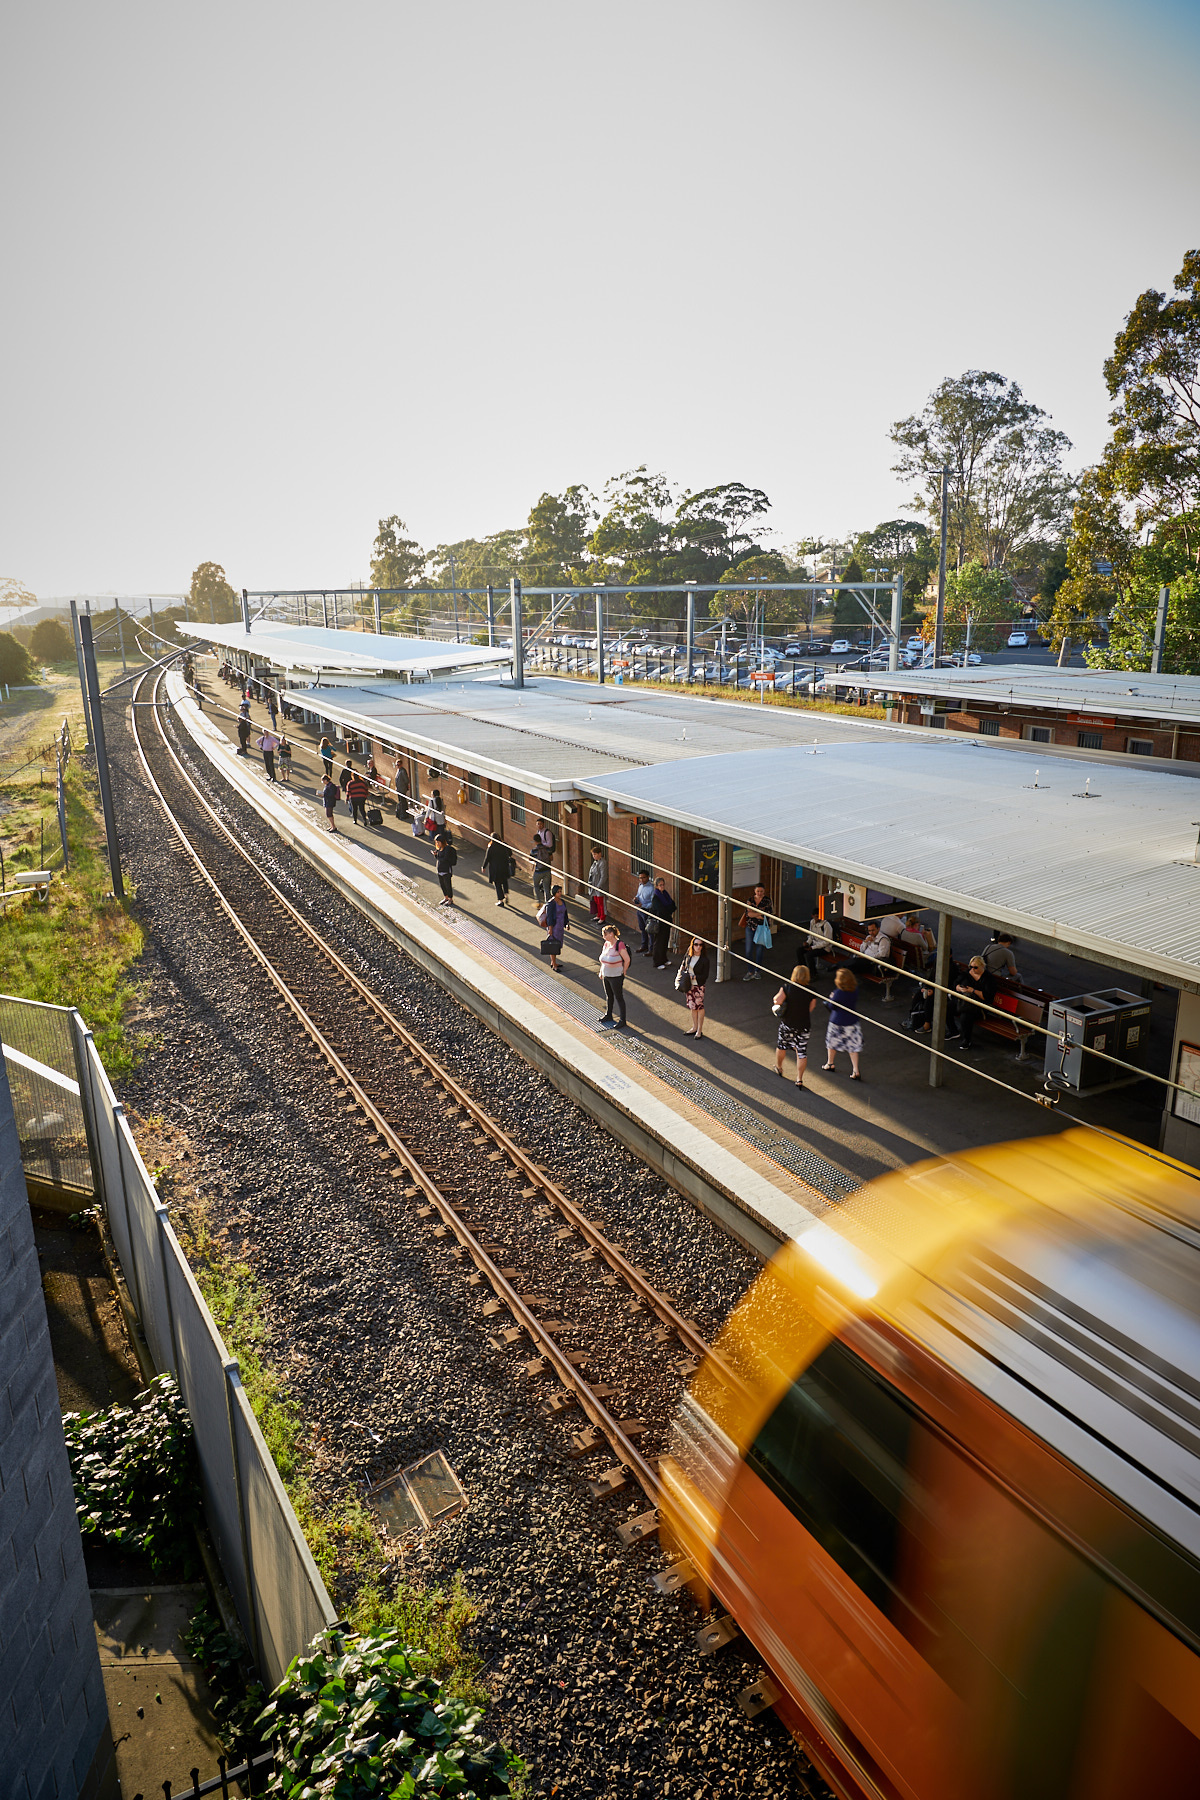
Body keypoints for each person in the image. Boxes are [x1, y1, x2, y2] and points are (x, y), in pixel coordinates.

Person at [773, 966, 818, 1088]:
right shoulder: (811, 991)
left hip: (788, 1024)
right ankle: (799, 1079)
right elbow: (810, 1008)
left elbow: (777, 1001)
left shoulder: (787, 987)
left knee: (782, 1046)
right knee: (801, 1052)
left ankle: (779, 1067)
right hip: (803, 1026)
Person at [822, 967, 863, 1079]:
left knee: (831, 1043)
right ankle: (856, 1070)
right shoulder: (855, 989)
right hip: (852, 1022)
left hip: (837, 1022)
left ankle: (830, 1063)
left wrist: (831, 998)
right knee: (853, 1047)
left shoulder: (838, 993)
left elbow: (831, 1006)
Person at [949, 956, 996, 1049]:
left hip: (978, 1005)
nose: (973, 969)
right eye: (971, 967)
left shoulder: (988, 978)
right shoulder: (967, 973)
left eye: (976, 967)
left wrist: (973, 990)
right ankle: (953, 1031)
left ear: (983, 966)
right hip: (963, 1001)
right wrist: (959, 988)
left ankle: (966, 1039)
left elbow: (987, 997)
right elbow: (955, 983)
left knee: (965, 1016)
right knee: (947, 1007)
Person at [674, 936, 710, 1039]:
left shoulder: (704, 960)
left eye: (700, 945)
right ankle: (694, 1027)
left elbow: (705, 976)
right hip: (688, 985)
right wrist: (680, 976)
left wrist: (694, 976)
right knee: (692, 1006)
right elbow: (683, 965)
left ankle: (699, 1030)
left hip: (698, 986)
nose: (698, 947)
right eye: (696, 944)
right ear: (692, 945)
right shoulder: (689, 956)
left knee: (699, 1006)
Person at [597, 922, 631, 1028]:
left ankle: (622, 1020)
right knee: (609, 996)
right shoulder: (606, 944)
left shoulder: (619, 945)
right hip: (607, 975)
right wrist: (601, 971)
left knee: (619, 997)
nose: (603, 937)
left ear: (611, 934)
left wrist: (624, 971)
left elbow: (627, 959)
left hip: (616, 976)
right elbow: (602, 959)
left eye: (605, 934)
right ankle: (608, 1015)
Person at [739, 885, 771, 980]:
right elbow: (748, 914)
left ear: (764, 891)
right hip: (750, 927)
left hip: (761, 928)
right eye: (758, 891)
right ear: (754, 891)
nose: (759, 893)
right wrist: (760, 913)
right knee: (748, 950)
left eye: (761, 891)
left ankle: (757, 971)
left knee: (759, 950)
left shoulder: (767, 901)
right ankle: (750, 971)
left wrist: (755, 913)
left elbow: (767, 915)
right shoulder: (750, 900)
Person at [537, 884, 569, 972]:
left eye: (560, 891)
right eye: (558, 892)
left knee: (557, 944)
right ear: (554, 893)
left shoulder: (562, 901)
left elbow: (565, 913)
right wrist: (550, 929)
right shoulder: (551, 903)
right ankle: (554, 964)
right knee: (553, 945)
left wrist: (567, 923)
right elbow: (550, 917)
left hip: (560, 926)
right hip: (554, 927)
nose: (560, 893)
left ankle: (554, 962)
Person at [649, 876, 676, 969]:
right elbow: (661, 909)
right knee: (659, 942)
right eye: (660, 885)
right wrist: (669, 909)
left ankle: (664, 959)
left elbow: (673, 905)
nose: (662, 887)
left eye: (663, 885)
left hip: (666, 921)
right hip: (659, 923)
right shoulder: (656, 897)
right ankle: (657, 962)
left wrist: (669, 909)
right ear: (656, 886)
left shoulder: (665, 894)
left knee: (665, 941)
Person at [481, 832, 512, 906]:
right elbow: (510, 853)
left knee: (497, 884)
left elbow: (487, 858)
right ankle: (506, 894)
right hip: (504, 867)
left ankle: (501, 900)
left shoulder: (491, 847)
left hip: (495, 868)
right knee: (504, 881)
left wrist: (483, 866)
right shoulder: (504, 845)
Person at [531, 822, 555, 908]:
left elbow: (530, 858)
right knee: (546, 887)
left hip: (538, 871)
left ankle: (538, 901)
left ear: (535, 841)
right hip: (547, 870)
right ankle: (548, 903)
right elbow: (551, 858)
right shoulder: (547, 849)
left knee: (536, 886)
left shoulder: (534, 850)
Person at [805, 910, 834, 977]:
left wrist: (812, 947)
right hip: (815, 944)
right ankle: (803, 970)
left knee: (809, 955)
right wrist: (808, 942)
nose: (818, 918)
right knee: (799, 950)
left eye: (819, 916)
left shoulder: (826, 925)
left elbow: (827, 942)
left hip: (825, 948)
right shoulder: (812, 922)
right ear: (812, 916)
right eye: (816, 917)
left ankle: (813, 974)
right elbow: (811, 935)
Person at [433, 832, 458, 906]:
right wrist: (436, 855)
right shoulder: (439, 848)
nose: (437, 843)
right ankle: (445, 897)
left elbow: (444, 859)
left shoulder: (447, 849)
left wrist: (437, 857)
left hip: (446, 870)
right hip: (440, 870)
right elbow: (439, 858)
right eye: (436, 842)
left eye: (438, 842)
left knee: (448, 885)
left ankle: (450, 899)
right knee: (442, 885)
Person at [634, 869, 656, 955]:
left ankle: (651, 949)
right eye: (640, 878)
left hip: (647, 911)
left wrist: (643, 905)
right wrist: (636, 898)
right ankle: (644, 946)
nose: (641, 880)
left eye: (643, 878)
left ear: (648, 877)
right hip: (640, 910)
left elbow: (652, 902)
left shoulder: (651, 888)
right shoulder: (640, 886)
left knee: (649, 931)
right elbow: (638, 895)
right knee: (642, 929)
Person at [587, 846, 608, 923]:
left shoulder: (603, 863)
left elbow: (603, 876)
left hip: (599, 886)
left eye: (595, 854)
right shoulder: (595, 862)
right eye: (593, 855)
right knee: (596, 901)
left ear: (600, 854)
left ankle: (602, 917)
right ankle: (598, 914)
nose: (594, 856)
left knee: (601, 902)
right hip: (594, 885)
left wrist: (599, 886)